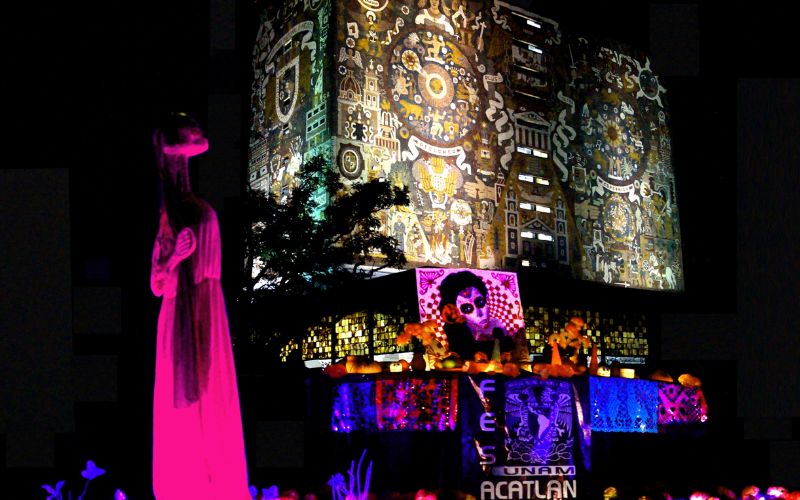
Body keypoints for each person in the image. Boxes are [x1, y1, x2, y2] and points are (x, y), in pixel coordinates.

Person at [150, 112, 250, 500]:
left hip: (208, 310)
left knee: (212, 393)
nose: (181, 167)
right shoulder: (170, 217)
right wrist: (174, 257)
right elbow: (156, 284)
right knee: (185, 399)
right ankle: (188, 481)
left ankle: (214, 480)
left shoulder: (203, 210)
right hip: (179, 312)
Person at [437, 270, 512, 359]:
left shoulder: (496, 324)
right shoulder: (458, 332)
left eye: (480, 302)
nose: (478, 313)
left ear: (486, 299)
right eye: (467, 308)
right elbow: (467, 352)